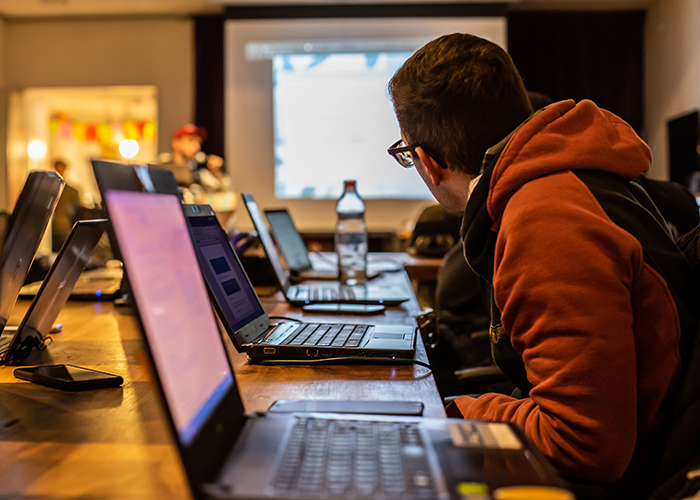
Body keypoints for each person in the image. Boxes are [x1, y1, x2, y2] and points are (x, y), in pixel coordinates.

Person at [387, 33, 698, 496]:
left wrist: (459, 414)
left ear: (428, 163)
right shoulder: (568, 177)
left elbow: (584, 444)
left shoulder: (546, 218)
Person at [52, 159, 83, 252]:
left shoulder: (71, 191)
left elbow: (77, 211)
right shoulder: (50, 189)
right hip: (52, 229)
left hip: (64, 228)